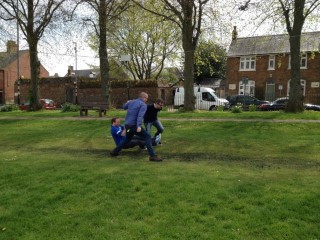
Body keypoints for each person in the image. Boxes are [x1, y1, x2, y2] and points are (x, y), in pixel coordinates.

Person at [110, 92, 162, 162]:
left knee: (127, 139)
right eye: (146, 98)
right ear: (144, 98)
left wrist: (127, 102)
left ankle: (115, 151)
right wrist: (139, 126)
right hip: (134, 126)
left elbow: (124, 107)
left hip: (127, 126)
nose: (147, 100)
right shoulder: (143, 105)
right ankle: (152, 156)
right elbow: (140, 116)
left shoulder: (132, 102)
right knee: (147, 136)